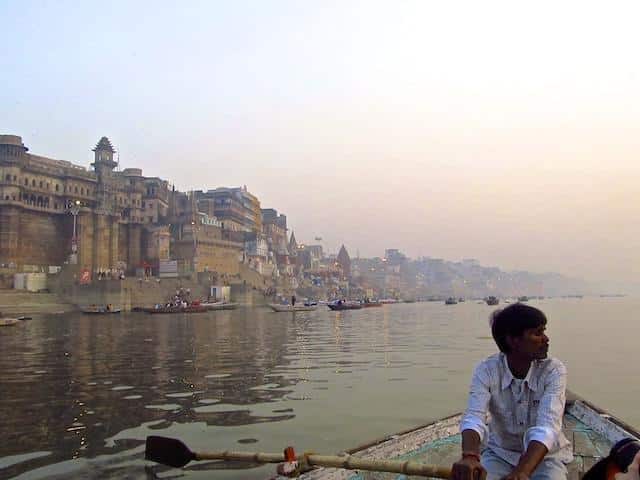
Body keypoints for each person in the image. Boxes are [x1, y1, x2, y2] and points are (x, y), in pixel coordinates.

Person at [451, 303, 572, 480]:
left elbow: (547, 427)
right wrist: (470, 456)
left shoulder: (554, 370)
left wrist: (521, 472)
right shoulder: (486, 370)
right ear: (513, 340)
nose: (546, 339)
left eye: (544, 332)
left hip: (546, 458)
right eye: (537, 333)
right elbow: (474, 417)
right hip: (500, 454)